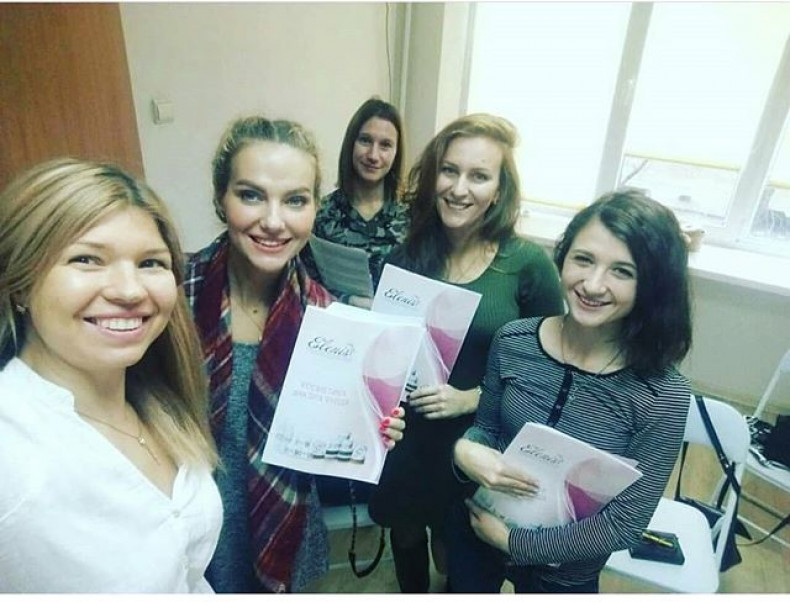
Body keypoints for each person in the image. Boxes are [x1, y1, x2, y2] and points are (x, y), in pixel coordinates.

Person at [184, 115, 406, 593]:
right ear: (221, 199)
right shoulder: (176, 294)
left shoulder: (329, 320)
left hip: (283, 525)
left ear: (314, 209)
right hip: (188, 528)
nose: (273, 220)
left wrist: (372, 425)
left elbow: (338, 438)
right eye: (251, 195)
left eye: (295, 200)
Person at [448, 190, 694, 593]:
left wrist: (514, 542)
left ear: (653, 286)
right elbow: (486, 430)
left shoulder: (662, 395)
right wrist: (464, 451)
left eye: (622, 271)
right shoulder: (513, 340)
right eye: (583, 259)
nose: (593, 285)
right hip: (478, 530)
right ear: (562, 258)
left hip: (564, 574)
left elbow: (625, 523)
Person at [0, 158, 222, 593]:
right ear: (21, 283)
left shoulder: (160, 405)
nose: (130, 290)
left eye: (151, 263)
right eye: (87, 259)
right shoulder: (12, 445)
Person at [368, 113, 565, 592]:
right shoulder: (405, 256)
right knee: (405, 532)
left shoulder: (527, 265)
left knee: (459, 552)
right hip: (407, 434)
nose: (459, 189)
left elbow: (552, 370)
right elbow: (386, 349)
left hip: (477, 439)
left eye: (479, 176)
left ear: (499, 190)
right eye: (449, 171)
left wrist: (471, 397)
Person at [306, 97, 409, 308]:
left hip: (397, 326)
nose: (373, 155)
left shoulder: (413, 215)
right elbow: (306, 285)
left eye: (385, 145)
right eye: (365, 140)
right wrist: (349, 301)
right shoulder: (321, 213)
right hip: (334, 324)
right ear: (351, 144)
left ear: (396, 153)